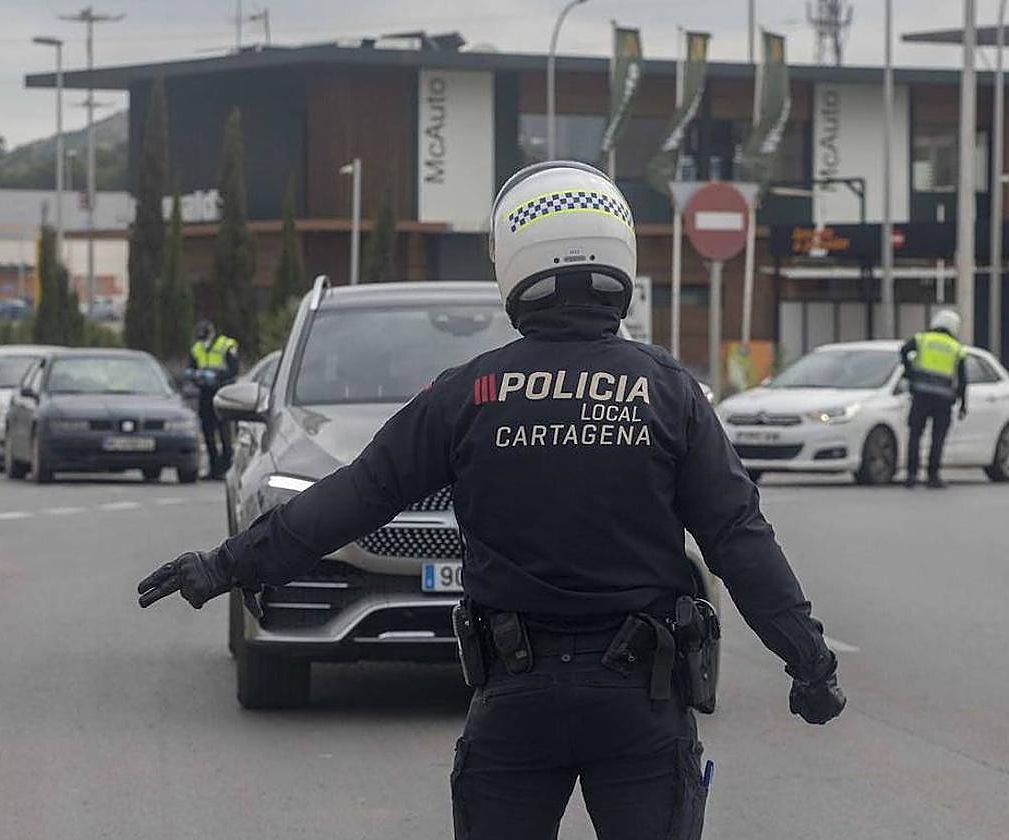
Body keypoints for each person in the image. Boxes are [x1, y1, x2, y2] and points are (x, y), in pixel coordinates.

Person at [140, 162, 845, 840]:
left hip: (516, 699)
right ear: (620, 252)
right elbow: (738, 539)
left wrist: (228, 564)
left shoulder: (467, 394)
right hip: (640, 702)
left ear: (512, 258)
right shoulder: (668, 392)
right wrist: (809, 662)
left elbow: (355, 497)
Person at [900, 310, 968, 489]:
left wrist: (909, 371)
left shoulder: (922, 339)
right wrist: (963, 403)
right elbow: (963, 379)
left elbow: (904, 351)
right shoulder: (956, 348)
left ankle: (911, 475)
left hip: (920, 396)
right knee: (938, 438)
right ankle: (933, 476)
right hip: (943, 400)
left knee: (915, 435)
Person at [188, 320, 240, 479]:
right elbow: (191, 367)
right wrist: (195, 376)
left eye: (205, 337)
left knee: (224, 432)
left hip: (222, 392)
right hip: (205, 393)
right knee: (207, 431)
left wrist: (217, 376)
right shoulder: (197, 348)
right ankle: (214, 468)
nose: (204, 342)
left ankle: (226, 467)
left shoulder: (226, 345)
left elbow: (233, 369)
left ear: (212, 333)